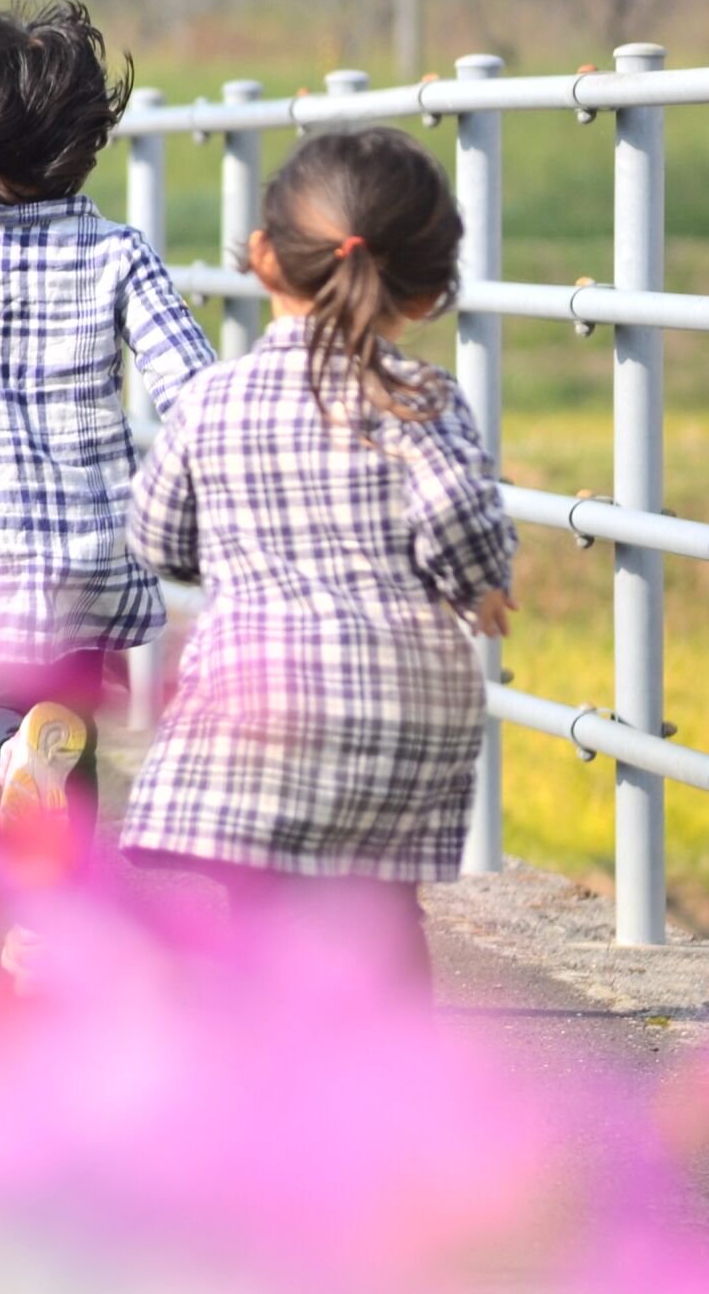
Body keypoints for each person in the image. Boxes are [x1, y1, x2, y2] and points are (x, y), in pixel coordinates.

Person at [118, 126, 519, 985]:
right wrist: (479, 581)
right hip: (399, 711)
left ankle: (283, 1085)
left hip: (259, 707)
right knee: (380, 907)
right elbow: (453, 505)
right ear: (423, 295)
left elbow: (152, 534)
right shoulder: (421, 398)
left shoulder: (210, 400)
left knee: (261, 908)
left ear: (263, 258)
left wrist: (215, 560)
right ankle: (393, 1079)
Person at [0, 0, 214, 852]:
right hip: (86, 554)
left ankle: (12, 758)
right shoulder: (119, 254)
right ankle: (59, 924)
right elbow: (194, 390)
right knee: (72, 726)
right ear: (82, 137)